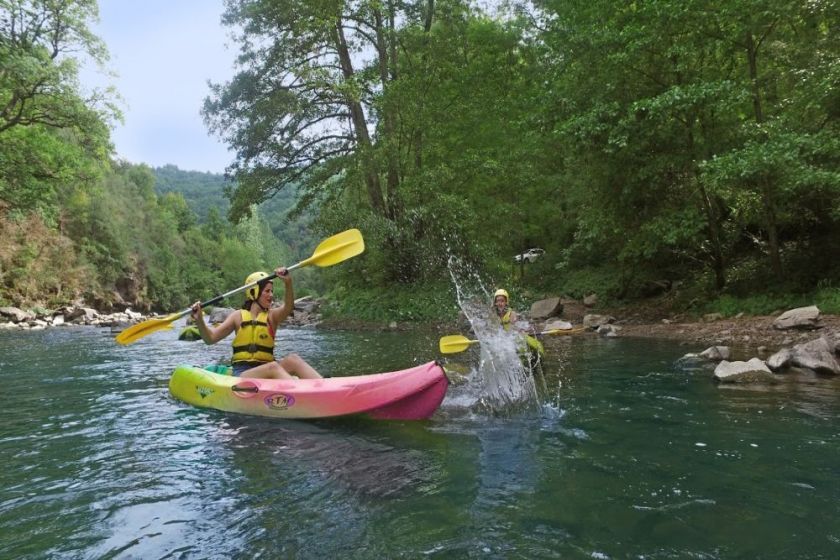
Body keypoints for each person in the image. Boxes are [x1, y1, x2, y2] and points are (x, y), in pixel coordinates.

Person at [190, 267, 322, 379]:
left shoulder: (272, 316)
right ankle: (299, 393)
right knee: (272, 367)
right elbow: (210, 338)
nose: (271, 295)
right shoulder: (237, 316)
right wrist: (200, 321)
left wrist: (288, 282)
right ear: (253, 292)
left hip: (268, 370)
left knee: (293, 360)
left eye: (272, 291)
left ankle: (326, 388)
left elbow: (288, 307)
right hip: (243, 374)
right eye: (267, 291)